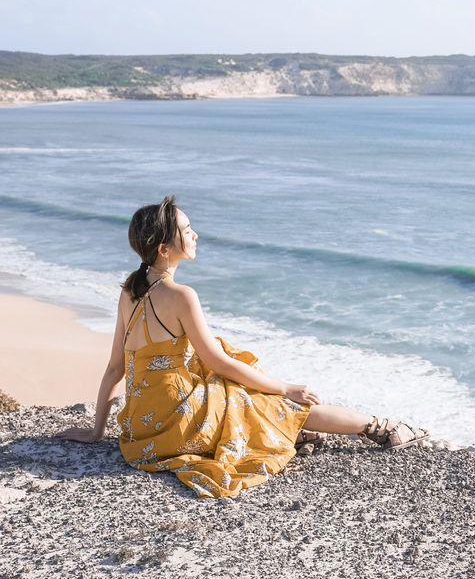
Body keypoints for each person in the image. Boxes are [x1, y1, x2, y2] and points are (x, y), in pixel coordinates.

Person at [57, 196, 429, 498]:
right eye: (188, 230)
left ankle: (341, 428)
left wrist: (97, 432)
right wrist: (285, 387)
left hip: (142, 428)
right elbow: (218, 363)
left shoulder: (128, 290)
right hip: (176, 421)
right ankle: (378, 426)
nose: (196, 234)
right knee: (266, 400)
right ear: (165, 249)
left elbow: (114, 369)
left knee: (231, 383)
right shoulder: (182, 296)